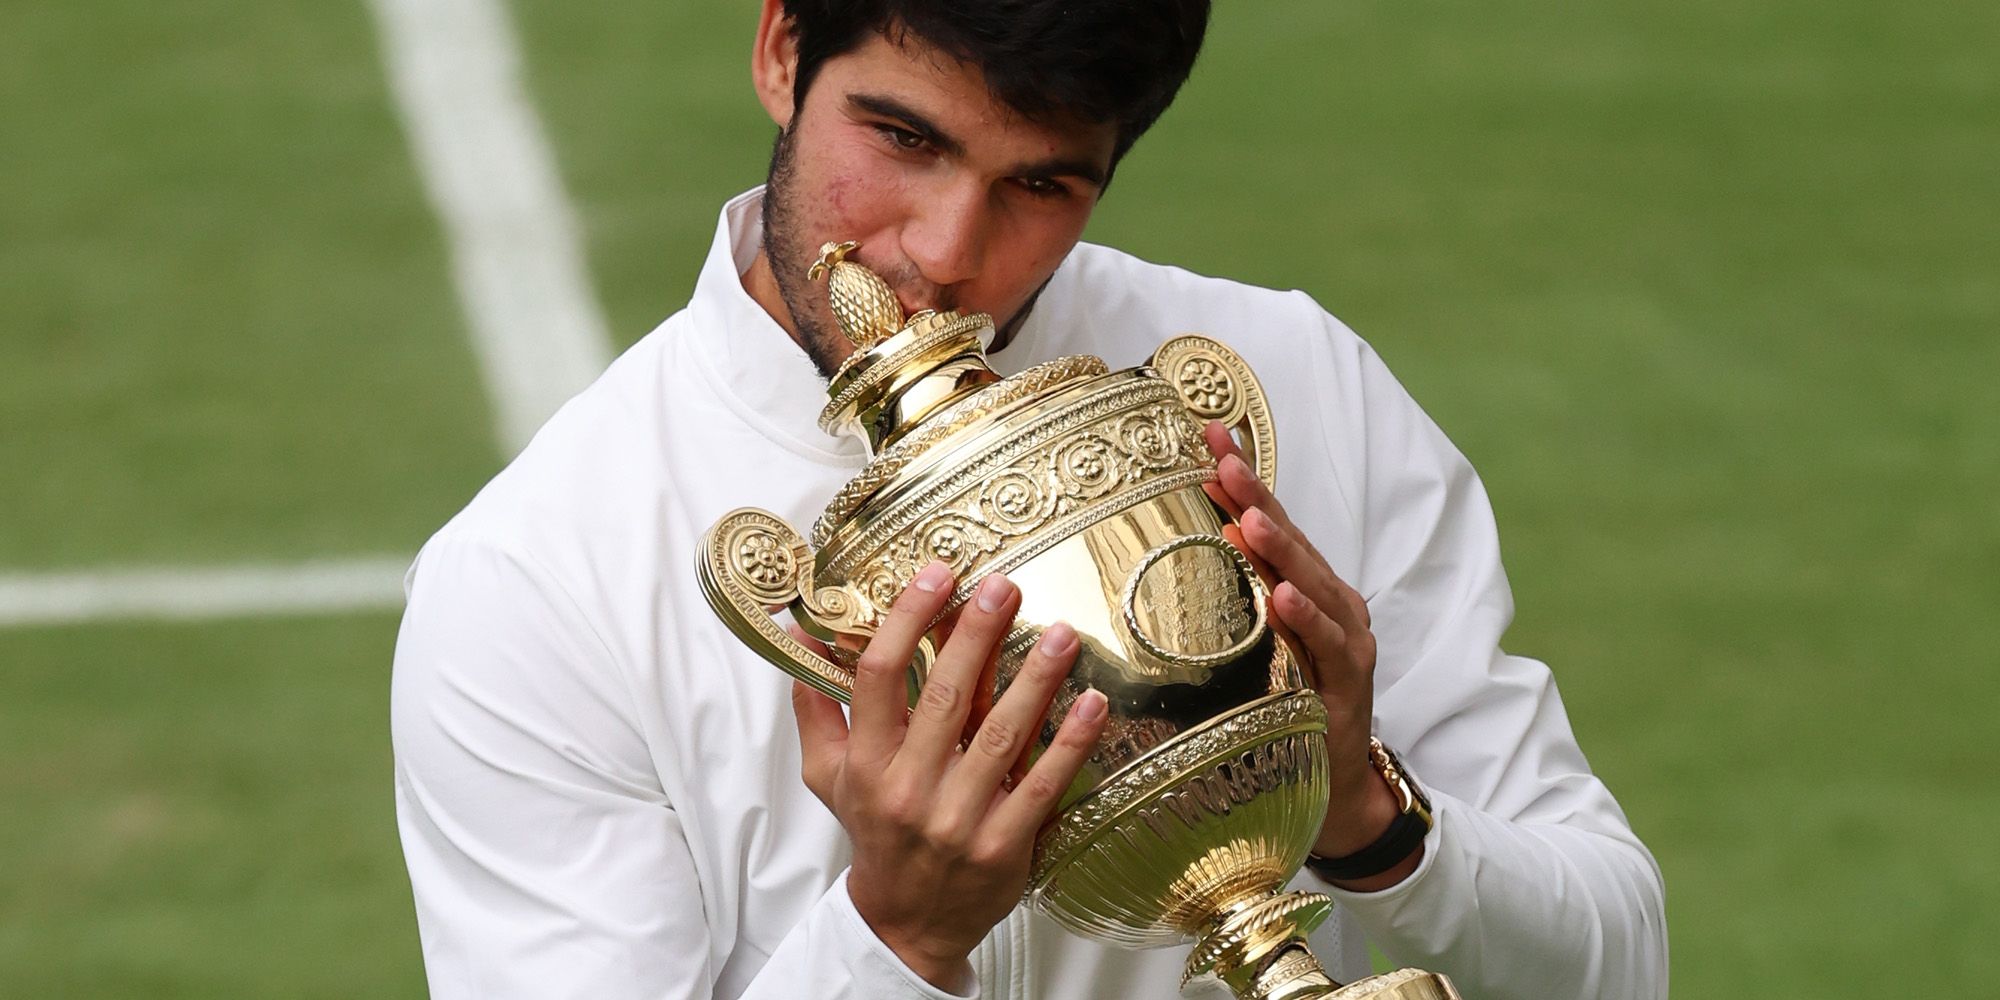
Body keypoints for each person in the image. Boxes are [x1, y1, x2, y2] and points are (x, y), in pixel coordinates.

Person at [389, 1, 1669, 998]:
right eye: (902, 139)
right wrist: (893, 940)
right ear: (781, 52)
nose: (946, 254)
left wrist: (1368, 820)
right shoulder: (536, 576)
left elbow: (1617, 964)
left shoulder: (1294, 386)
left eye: (1041, 183)